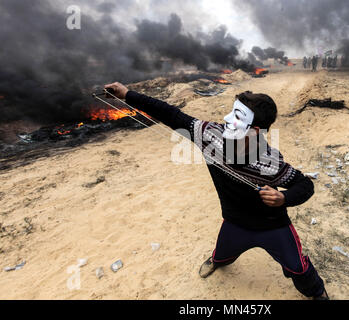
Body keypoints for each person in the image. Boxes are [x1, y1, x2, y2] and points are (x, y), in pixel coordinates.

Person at [103, 83, 329, 300]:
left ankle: (316, 292)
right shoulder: (211, 136)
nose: (226, 120)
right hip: (234, 222)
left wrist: (284, 198)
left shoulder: (270, 162)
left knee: (299, 267)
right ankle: (218, 261)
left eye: (238, 118)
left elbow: (305, 185)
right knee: (221, 254)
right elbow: (171, 114)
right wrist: (127, 94)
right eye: (232, 113)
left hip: (273, 226)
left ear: (255, 131)